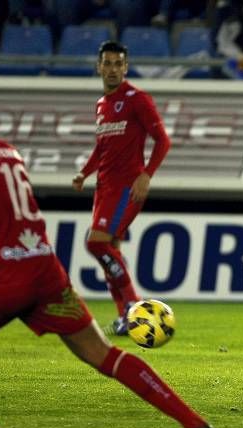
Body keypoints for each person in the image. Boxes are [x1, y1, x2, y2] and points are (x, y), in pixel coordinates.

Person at [0, 133, 224, 428]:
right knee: (103, 354)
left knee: (99, 244)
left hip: (2, 276)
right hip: (44, 270)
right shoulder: (7, 149)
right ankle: (197, 424)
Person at [72, 40, 171, 336]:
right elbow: (101, 148)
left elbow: (163, 141)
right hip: (105, 188)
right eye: (108, 63)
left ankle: (133, 306)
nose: (113, 69)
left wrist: (146, 175)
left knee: (96, 243)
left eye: (118, 63)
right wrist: (84, 173)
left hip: (127, 188)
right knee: (109, 251)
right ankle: (124, 317)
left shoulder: (137, 99)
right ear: (99, 67)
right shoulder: (102, 105)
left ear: (126, 67)